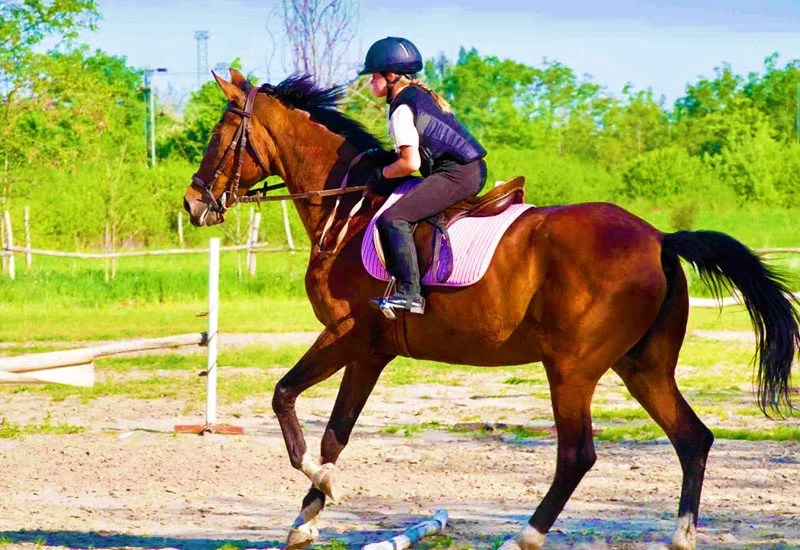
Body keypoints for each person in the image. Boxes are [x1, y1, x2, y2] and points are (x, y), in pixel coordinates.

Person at [360, 36, 488, 316]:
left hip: (458, 174)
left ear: (390, 76)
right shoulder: (418, 97)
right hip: (467, 169)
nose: (371, 83)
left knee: (393, 218)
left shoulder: (403, 109)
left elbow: (409, 163)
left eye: (374, 77)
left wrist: (380, 175)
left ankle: (410, 295)